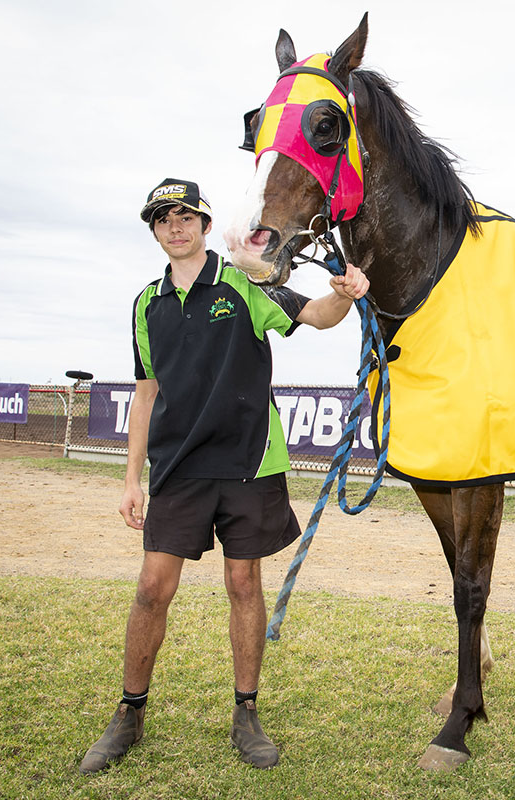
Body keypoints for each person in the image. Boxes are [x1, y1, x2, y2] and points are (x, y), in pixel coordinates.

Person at [80, 178, 368, 773]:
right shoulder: (146, 303)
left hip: (248, 463)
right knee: (151, 590)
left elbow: (316, 314)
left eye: (186, 216)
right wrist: (131, 480)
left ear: (206, 225)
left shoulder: (245, 281)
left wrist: (345, 293)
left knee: (244, 587)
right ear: (155, 231)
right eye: (164, 219)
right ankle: (130, 712)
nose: (176, 227)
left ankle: (246, 713)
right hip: (179, 469)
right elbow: (144, 394)